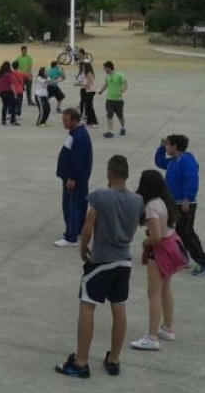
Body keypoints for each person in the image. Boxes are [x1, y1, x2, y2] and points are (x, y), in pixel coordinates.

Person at [55, 155, 143, 379]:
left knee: (87, 306)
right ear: (126, 175)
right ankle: (114, 359)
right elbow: (132, 232)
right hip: (124, 261)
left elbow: (88, 227)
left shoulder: (99, 196)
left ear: (110, 174)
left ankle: (81, 362)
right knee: (119, 307)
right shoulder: (137, 201)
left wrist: (83, 247)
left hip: (102, 260)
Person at [130, 169, 187, 351]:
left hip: (160, 250)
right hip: (172, 244)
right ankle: (168, 327)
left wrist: (145, 241)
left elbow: (155, 237)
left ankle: (152, 336)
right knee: (166, 289)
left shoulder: (151, 207)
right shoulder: (164, 202)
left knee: (153, 293)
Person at [156, 134, 205, 276]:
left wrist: (188, 197)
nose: (167, 146)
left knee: (185, 232)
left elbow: (192, 178)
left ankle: (203, 261)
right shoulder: (175, 160)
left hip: (185, 203)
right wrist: (161, 148)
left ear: (175, 146)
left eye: (168, 144)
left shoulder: (186, 161)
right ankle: (183, 257)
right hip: (175, 202)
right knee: (179, 231)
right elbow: (160, 162)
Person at [53, 108, 93, 247]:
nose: (63, 122)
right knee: (80, 204)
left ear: (74, 120)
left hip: (75, 179)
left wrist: (72, 177)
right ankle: (79, 229)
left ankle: (71, 236)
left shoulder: (79, 137)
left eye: (65, 120)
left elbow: (78, 160)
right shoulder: (76, 133)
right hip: (76, 178)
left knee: (72, 205)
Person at [97, 60, 129, 138]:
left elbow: (125, 84)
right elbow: (106, 85)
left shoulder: (119, 75)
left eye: (105, 68)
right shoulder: (107, 76)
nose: (104, 70)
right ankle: (110, 131)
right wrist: (101, 91)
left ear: (109, 68)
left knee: (120, 115)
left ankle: (123, 127)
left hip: (118, 99)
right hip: (109, 99)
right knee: (109, 115)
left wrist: (121, 91)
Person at [0, 61, 17, 127]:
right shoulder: (9, 74)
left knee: (5, 105)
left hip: (2, 92)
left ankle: (3, 120)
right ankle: (13, 120)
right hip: (9, 91)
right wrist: (15, 93)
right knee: (13, 105)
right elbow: (11, 85)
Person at [78, 62, 99, 128]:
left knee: (90, 107)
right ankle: (89, 121)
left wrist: (78, 84)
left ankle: (94, 121)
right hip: (88, 91)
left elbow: (87, 84)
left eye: (84, 67)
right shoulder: (86, 74)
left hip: (90, 91)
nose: (83, 68)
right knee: (87, 107)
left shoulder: (89, 74)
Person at [17, 45, 35, 110]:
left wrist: (29, 75)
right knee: (19, 89)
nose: (25, 51)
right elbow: (17, 67)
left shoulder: (29, 57)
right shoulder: (18, 58)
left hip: (27, 75)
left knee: (29, 88)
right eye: (24, 50)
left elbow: (30, 67)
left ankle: (29, 101)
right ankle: (18, 101)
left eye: (26, 50)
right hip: (21, 76)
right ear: (21, 50)